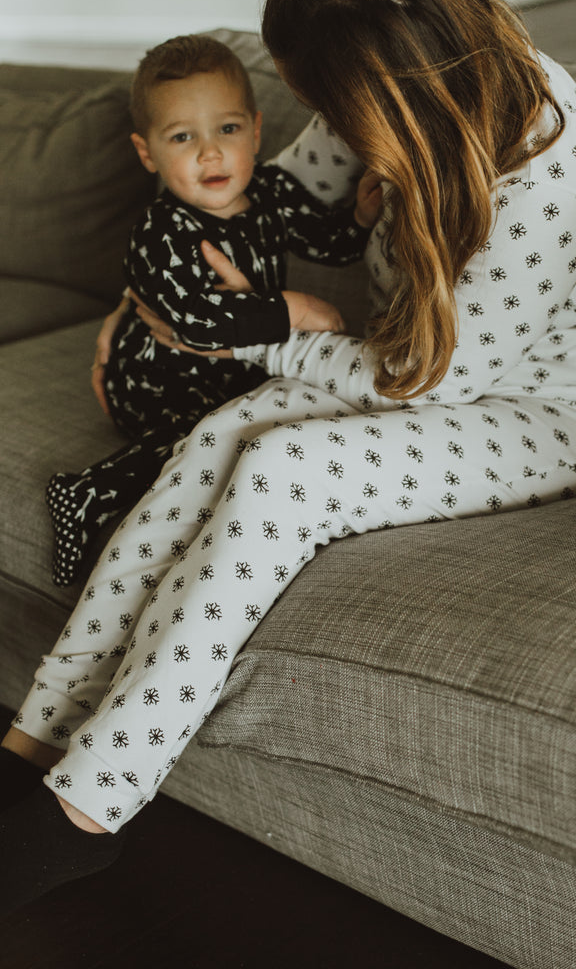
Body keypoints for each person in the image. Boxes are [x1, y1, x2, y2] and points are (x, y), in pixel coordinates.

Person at [0, 0, 576, 912]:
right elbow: (269, 199)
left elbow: (417, 381)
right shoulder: (409, 85)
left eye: (324, 104)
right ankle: (32, 737)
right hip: (427, 369)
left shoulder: (542, 179)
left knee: (285, 467)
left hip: (567, 413)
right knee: (219, 430)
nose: (325, 125)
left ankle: (87, 811)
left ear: (379, 90)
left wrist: (261, 333)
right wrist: (159, 297)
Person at [45, 33, 380, 588]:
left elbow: (328, 243)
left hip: (230, 368)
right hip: (153, 377)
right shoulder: (161, 230)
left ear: (255, 129)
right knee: (202, 432)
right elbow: (193, 322)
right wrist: (292, 308)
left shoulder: (270, 191)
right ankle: (87, 493)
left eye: (227, 129)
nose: (210, 152)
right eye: (183, 137)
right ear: (147, 152)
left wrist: (360, 222)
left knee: (264, 418)